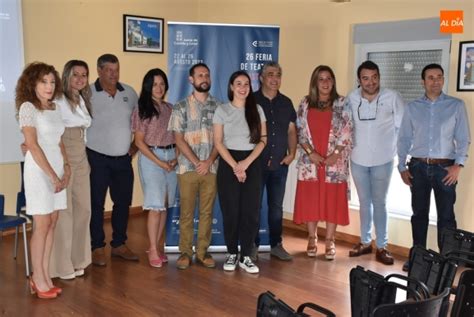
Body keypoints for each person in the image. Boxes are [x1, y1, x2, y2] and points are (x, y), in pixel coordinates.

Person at [398, 63, 471, 271]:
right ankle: (417, 258)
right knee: (418, 215)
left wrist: (458, 166)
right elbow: (403, 138)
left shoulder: (455, 105)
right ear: (423, 81)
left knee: (446, 217)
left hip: (445, 169)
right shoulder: (412, 108)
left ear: (443, 80)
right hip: (418, 167)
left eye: (439, 77)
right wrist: (402, 166)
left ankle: (447, 263)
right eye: (430, 77)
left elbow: (464, 138)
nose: (435, 81)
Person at [16, 62, 69, 299]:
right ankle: (37, 278)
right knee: (42, 224)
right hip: (39, 171)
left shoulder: (55, 107)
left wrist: (66, 168)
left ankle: (45, 275)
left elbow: (59, 142)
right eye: (43, 81)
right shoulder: (28, 108)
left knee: (53, 221)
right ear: (32, 84)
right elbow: (33, 145)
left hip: (57, 169)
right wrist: (52, 175)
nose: (49, 86)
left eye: (51, 81)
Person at [346, 61, 404, 265]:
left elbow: (402, 128)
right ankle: (364, 242)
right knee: (364, 202)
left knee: (380, 202)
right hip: (358, 159)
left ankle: (382, 246)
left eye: (374, 77)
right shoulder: (351, 99)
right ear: (359, 79)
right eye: (365, 78)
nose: (370, 82)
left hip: (383, 160)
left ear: (379, 77)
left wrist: (396, 152)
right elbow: (346, 126)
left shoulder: (392, 97)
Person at [293, 65, 352, 260]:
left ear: (333, 81)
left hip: (334, 161)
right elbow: (299, 130)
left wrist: (335, 154)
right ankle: (312, 237)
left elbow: (347, 129)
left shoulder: (342, 103)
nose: (325, 82)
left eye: (328, 78)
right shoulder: (305, 103)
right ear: (315, 82)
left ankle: (330, 240)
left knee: (332, 198)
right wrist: (310, 153)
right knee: (311, 197)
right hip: (311, 161)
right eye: (321, 79)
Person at [86, 54, 138, 266]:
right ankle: (97, 246)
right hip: (97, 158)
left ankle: (119, 244)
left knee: (123, 203)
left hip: (123, 160)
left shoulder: (129, 92)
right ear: (99, 71)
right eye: (109, 70)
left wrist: (134, 147)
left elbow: (141, 121)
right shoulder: (87, 93)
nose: (114, 74)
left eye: (116, 70)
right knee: (96, 204)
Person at [168, 63, 221, 270]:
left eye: (207, 74)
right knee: (187, 213)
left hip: (212, 168)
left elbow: (220, 139)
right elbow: (179, 140)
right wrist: (197, 162)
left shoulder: (219, 106)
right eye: (200, 75)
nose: (204, 78)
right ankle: (184, 252)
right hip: (187, 169)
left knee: (207, 213)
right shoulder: (180, 106)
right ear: (191, 79)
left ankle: (202, 252)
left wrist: (208, 162)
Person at [213, 70, 267, 274]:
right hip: (228, 164)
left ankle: (246, 256)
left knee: (250, 213)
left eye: (246, 84)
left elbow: (263, 140)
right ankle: (231, 254)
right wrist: (236, 165)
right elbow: (218, 142)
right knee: (231, 212)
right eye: (238, 83)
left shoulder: (257, 110)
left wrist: (245, 163)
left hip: (252, 162)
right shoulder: (222, 110)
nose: (243, 87)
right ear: (231, 87)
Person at [49, 60, 93, 279]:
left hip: (81, 152)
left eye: (84, 75)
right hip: (65, 151)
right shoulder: (58, 99)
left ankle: (79, 259)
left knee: (84, 209)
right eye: (75, 74)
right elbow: (54, 133)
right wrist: (65, 163)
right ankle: (62, 265)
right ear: (66, 75)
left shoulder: (82, 99)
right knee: (65, 212)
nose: (80, 79)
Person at [132, 68, 177, 268]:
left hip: (172, 157)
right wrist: (160, 162)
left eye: (162, 84)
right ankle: (151, 248)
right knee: (155, 206)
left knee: (165, 205)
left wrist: (176, 158)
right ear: (148, 86)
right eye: (155, 84)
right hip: (152, 158)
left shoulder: (170, 108)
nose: (159, 88)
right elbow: (139, 142)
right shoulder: (142, 108)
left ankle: (157, 247)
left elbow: (178, 137)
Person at [253, 62, 296, 261]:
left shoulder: (286, 103)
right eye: (270, 74)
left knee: (276, 207)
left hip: (280, 163)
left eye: (278, 74)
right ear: (261, 78)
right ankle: (251, 245)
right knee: (253, 205)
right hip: (255, 163)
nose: (274, 78)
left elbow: (291, 130)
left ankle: (276, 244)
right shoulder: (250, 101)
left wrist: (292, 153)